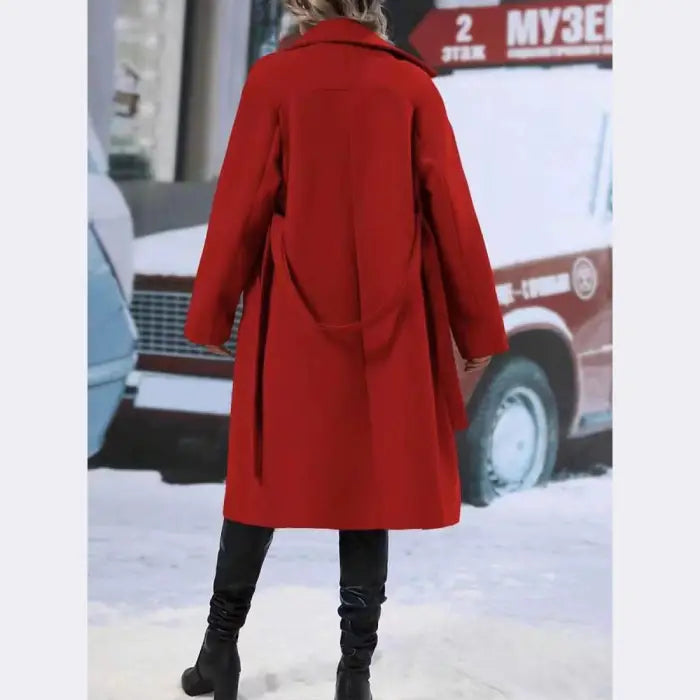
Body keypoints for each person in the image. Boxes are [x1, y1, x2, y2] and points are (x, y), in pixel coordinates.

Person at [180, 1, 508, 698]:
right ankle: (353, 673)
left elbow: (240, 203)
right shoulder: (411, 85)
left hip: (289, 324)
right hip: (387, 329)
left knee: (261, 477)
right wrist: (479, 330)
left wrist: (211, 314)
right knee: (368, 490)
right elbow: (451, 210)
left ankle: (219, 653)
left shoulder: (274, 81)